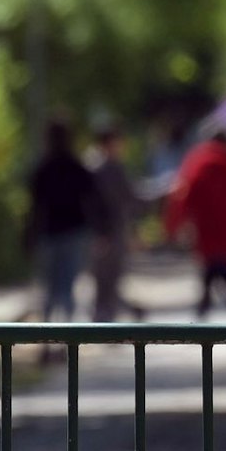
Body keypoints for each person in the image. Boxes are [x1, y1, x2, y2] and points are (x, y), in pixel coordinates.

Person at [165, 116, 226, 320]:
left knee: (214, 268)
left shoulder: (198, 159)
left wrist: (176, 224)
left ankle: (205, 312)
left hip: (206, 225)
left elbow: (183, 191)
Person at [24, 119, 101, 325]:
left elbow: (35, 208)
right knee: (67, 286)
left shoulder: (43, 169)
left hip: (50, 233)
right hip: (74, 233)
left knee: (49, 288)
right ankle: (67, 339)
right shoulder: (76, 167)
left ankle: (48, 340)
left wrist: (29, 236)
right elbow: (92, 201)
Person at [86, 119, 143, 322]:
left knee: (109, 279)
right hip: (106, 234)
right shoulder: (101, 169)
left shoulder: (107, 167)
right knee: (105, 279)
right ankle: (104, 322)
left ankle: (106, 319)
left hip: (112, 232)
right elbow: (97, 204)